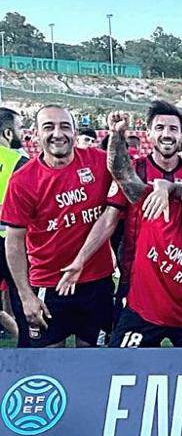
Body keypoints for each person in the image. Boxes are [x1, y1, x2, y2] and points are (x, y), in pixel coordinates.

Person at [102, 114, 182, 354]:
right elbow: (121, 172)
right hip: (141, 313)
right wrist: (117, 135)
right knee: (117, 365)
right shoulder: (156, 206)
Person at [1, 105, 115, 347]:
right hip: (48, 284)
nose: (57, 133)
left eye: (65, 126)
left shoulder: (100, 163)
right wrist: (25, 295)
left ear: (74, 132)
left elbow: (135, 175)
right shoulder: (23, 180)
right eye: (49, 127)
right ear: (36, 134)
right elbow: (14, 241)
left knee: (94, 360)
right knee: (48, 361)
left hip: (96, 282)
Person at [0, 107, 30, 339]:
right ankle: (27, 357)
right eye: (19, 128)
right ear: (8, 133)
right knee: (22, 299)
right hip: (11, 242)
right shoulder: (18, 162)